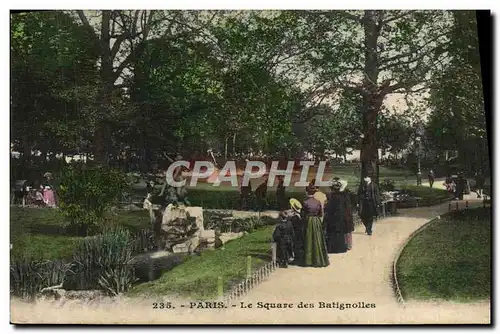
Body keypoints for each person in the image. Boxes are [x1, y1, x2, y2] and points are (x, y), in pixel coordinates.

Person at [301, 185, 329, 267]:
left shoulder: (305, 202)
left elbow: (303, 214)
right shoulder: (318, 202)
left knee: (309, 239)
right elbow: (320, 214)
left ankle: (308, 260)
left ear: (307, 192)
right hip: (316, 221)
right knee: (317, 239)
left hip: (308, 221)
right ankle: (318, 259)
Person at [324, 178, 354, 253]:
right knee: (343, 232)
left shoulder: (334, 197)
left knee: (338, 232)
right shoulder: (343, 195)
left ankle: (341, 246)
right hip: (342, 216)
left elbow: (329, 208)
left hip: (336, 217)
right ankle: (346, 245)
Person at [289, 198, 305, 264]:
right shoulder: (300, 215)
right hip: (300, 232)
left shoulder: (294, 217)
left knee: (296, 246)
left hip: (296, 233)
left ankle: (297, 259)